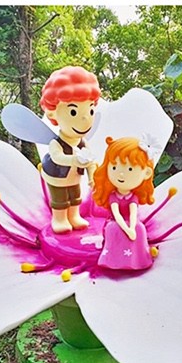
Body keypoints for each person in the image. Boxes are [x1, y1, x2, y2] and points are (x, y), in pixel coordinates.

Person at [38, 66, 101, 234]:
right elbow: (57, 158)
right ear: (52, 114)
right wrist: (75, 160)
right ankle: (59, 219)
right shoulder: (56, 143)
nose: (85, 119)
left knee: (75, 197)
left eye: (91, 110)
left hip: (74, 178)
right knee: (60, 199)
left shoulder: (82, 142)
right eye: (73, 111)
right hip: (56, 178)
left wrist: (93, 176)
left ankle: (74, 217)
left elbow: (90, 160)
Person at [92, 136, 156, 272]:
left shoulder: (133, 197)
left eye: (130, 169)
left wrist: (132, 228)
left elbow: (133, 214)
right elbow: (116, 214)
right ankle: (112, 261)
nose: (121, 174)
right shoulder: (113, 196)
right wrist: (127, 230)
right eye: (114, 167)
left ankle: (138, 260)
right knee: (113, 228)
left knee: (139, 228)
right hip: (115, 222)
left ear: (147, 173)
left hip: (131, 223)